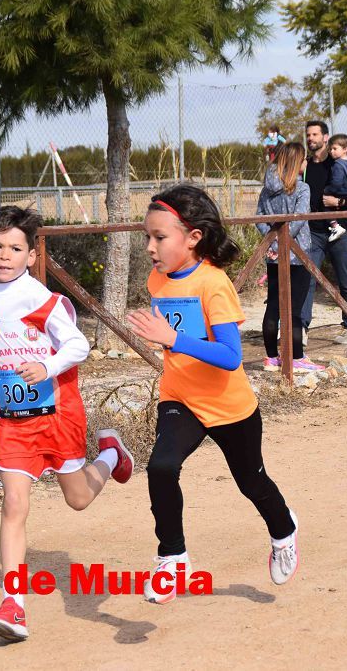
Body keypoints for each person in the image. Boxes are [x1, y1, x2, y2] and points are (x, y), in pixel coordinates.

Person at [126, 184, 300, 604]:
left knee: (251, 482)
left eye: (159, 237)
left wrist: (172, 337)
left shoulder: (214, 284)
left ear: (193, 238)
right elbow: (173, 337)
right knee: (161, 467)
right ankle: (173, 557)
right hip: (180, 397)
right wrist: (165, 339)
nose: (150, 247)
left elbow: (229, 356)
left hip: (229, 406)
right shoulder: (157, 278)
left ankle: (284, 531)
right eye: (147, 237)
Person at [0, 206, 134, 641]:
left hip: (58, 413)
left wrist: (45, 367)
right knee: (13, 504)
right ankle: (13, 606)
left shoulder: (39, 298)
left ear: (31, 256)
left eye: (16, 249)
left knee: (78, 499)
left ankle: (111, 455)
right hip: (14, 420)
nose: (5, 255)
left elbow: (77, 344)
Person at [255, 142, 323, 373]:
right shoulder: (302, 188)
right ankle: (296, 357)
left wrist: (272, 242)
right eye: (304, 159)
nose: (306, 162)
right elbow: (300, 218)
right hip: (297, 255)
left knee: (273, 305)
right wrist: (284, 242)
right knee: (295, 308)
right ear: (297, 162)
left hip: (274, 256)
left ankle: (271, 357)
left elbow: (259, 217)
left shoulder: (267, 189)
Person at [299, 120, 347, 345]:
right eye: (308, 135)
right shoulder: (306, 165)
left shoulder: (337, 163)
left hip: (338, 231)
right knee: (307, 278)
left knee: (344, 279)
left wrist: (339, 201)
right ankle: (301, 328)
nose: (311, 139)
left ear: (325, 138)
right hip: (313, 233)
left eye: (315, 134)